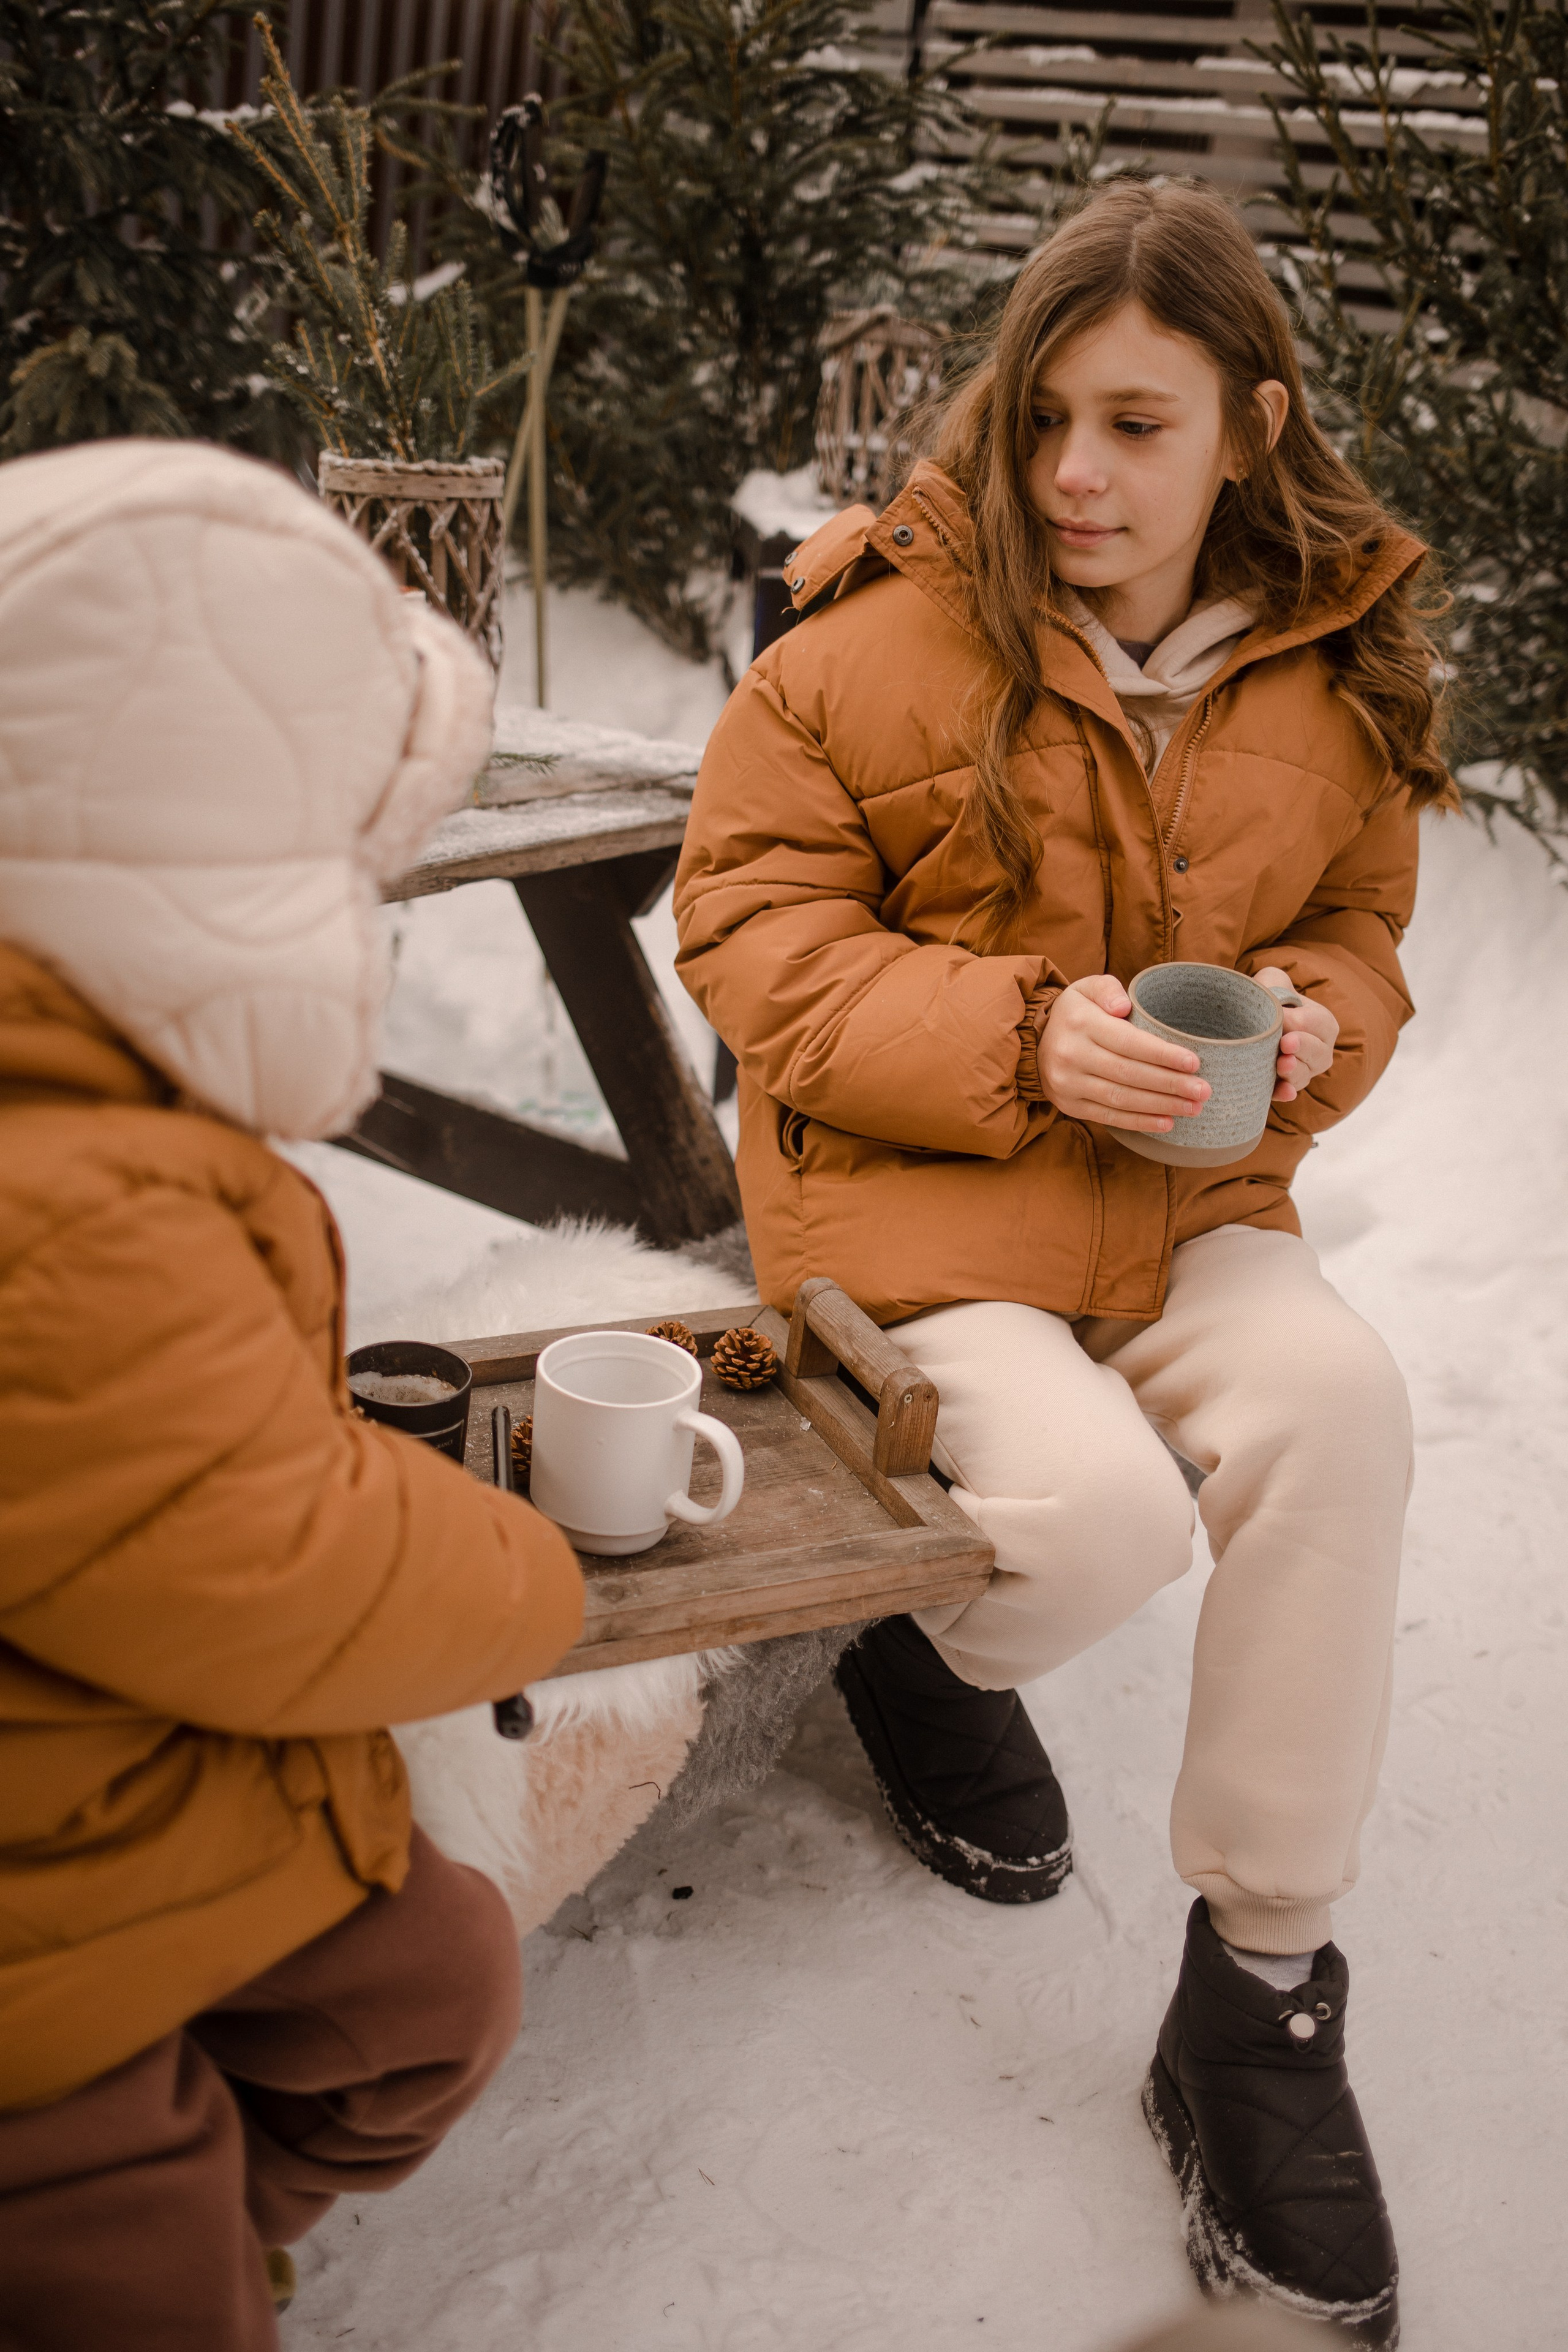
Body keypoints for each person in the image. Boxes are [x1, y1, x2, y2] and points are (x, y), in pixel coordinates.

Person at [674, 178, 1455, 2348]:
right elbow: (755, 948)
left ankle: (1259, 1997)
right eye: (1044, 421)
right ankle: (931, 1649)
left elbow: (1360, 933)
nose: (1075, 476)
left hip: (1192, 1207)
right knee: (1092, 1522)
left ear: (1253, 429)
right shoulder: (863, 646)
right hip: (923, 1206)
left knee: (1338, 1406)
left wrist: (1315, 1024)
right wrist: (1028, 1034)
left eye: (1136, 424)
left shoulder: (1335, 668)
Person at [0, 440, 586, 2351]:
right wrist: (533, 1570)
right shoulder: (56, 1207)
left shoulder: (83, 1096)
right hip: (38, 1942)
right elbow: (274, 1573)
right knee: (133, 2236)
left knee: (428, 1980)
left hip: (94, 1749)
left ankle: (234, 2222)